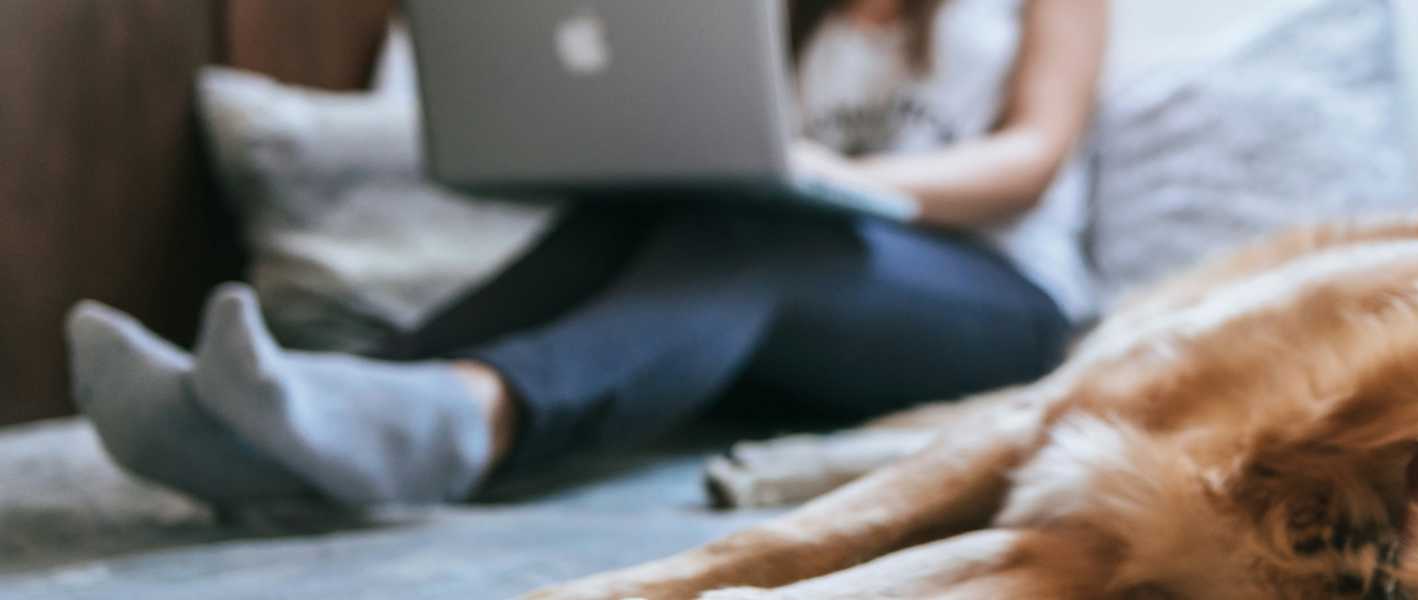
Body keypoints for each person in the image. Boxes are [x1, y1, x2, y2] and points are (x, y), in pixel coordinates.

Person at [64, 0, 1107, 506]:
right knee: (669, 216)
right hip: (808, 273)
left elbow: (1032, 154)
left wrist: (845, 185)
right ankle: (304, 413)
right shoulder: (798, 10)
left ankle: (463, 418)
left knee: (749, 238)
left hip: (996, 299)